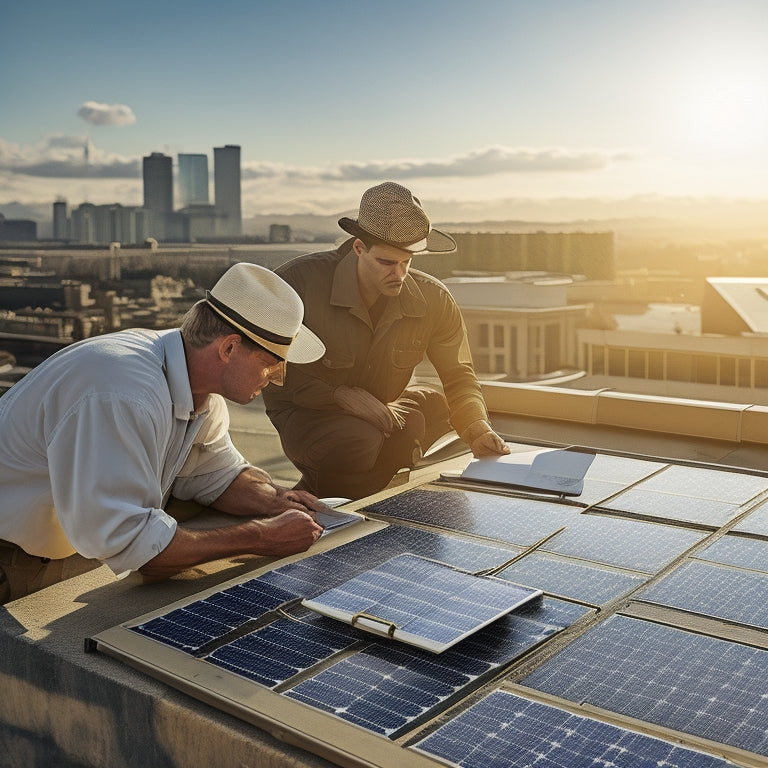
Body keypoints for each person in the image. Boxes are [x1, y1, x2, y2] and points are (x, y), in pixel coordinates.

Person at [0, 263, 328, 605]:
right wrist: (263, 537)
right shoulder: (122, 394)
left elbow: (213, 472)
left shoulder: (196, 387)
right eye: (273, 362)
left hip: (69, 547)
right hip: (12, 565)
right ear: (229, 348)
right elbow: (132, 540)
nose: (278, 378)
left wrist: (275, 500)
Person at [262, 181, 509, 500]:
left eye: (407, 262)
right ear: (358, 247)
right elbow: (266, 370)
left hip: (382, 408)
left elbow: (458, 374)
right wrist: (340, 396)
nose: (399, 274)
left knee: (439, 409)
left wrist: (477, 429)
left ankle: (343, 495)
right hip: (307, 412)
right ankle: (336, 515)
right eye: (387, 263)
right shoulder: (298, 284)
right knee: (361, 438)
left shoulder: (433, 299)